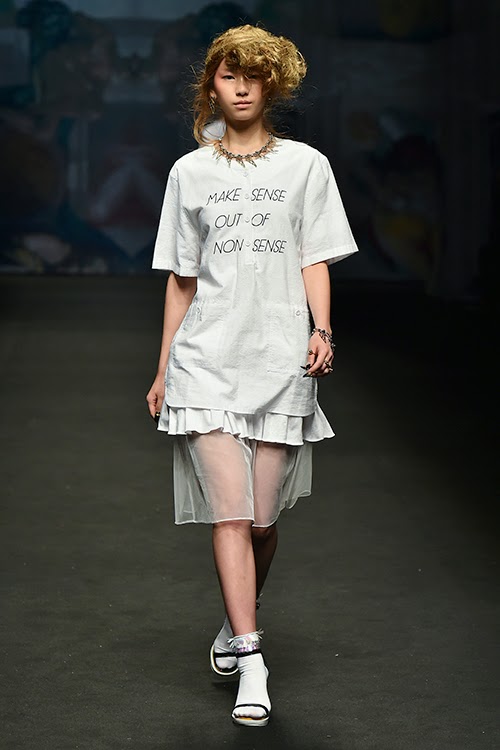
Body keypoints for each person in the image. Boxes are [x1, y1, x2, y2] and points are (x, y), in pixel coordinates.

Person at [146, 24, 358, 728]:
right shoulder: (189, 173)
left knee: (263, 522)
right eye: (228, 74)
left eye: (254, 76)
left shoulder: (306, 166)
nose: (240, 88)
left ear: (273, 85)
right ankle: (252, 657)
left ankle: (236, 621)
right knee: (231, 515)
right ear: (211, 84)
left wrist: (321, 330)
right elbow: (182, 279)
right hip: (205, 360)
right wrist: (164, 367)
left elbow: (314, 256)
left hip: (279, 357)